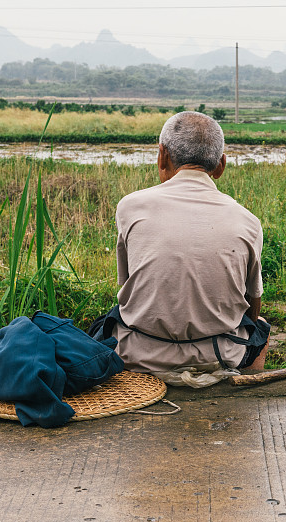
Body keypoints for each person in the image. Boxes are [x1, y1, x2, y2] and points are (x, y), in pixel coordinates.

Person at [98, 111, 270, 374]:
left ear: (162, 155)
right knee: (262, 327)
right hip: (219, 357)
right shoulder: (248, 221)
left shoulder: (130, 206)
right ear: (221, 165)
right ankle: (244, 392)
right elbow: (252, 304)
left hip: (137, 355)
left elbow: (128, 288)